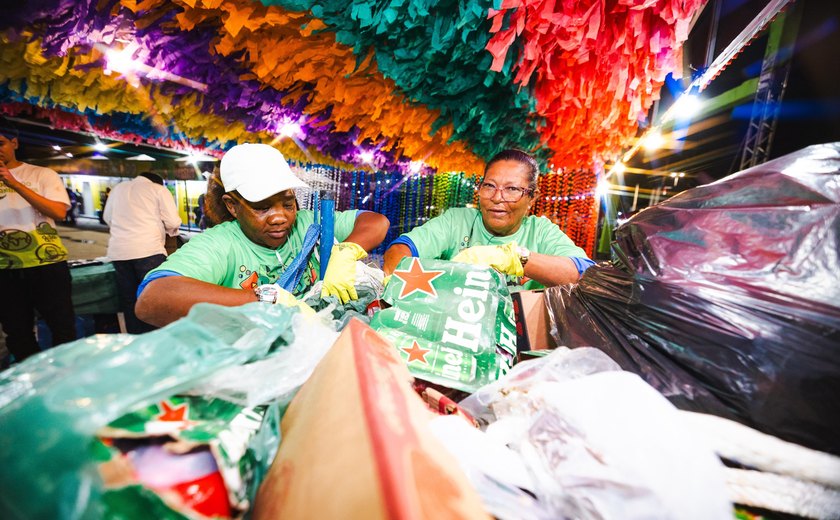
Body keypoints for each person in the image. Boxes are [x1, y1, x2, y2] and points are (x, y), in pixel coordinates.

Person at [135, 143, 389, 327]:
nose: (280, 217)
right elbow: (152, 298)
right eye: (262, 206)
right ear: (232, 205)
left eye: (288, 203)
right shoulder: (221, 244)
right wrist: (267, 300)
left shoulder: (308, 223)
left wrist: (346, 251)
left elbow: (376, 222)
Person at [383, 149, 595, 290]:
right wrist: (402, 283)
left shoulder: (540, 231)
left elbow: (584, 274)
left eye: (512, 189)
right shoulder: (458, 221)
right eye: (489, 186)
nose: (496, 198)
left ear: (532, 197)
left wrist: (513, 258)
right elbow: (401, 249)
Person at [0, 116, 76, 362]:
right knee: (17, 333)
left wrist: (13, 182)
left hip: (47, 265)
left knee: (62, 328)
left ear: (14, 143)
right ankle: (32, 382)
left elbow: (59, 212)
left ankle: (65, 379)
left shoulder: (42, 174)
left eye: (0, 143)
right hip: (5, 269)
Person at [103, 172, 182, 333]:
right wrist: (169, 230)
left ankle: (137, 338)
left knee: (129, 300)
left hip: (119, 252)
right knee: (157, 298)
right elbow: (173, 221)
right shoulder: (158, 189)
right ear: (159, 182)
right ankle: (160, 338)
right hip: (149, 250)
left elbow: (107, 217)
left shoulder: (118, 189)